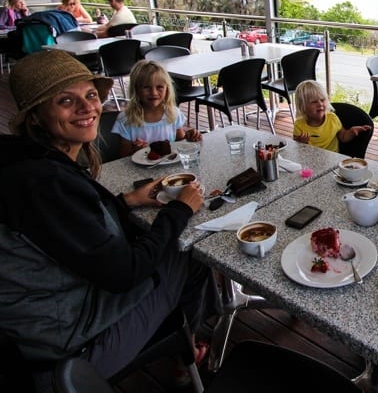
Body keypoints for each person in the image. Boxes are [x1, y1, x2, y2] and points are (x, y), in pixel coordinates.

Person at [0, 50, 219, 385]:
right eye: (65, 100)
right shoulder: (43, 183)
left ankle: (186, 340)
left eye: (90, 95)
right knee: (190, 251)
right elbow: (125, 272)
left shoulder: (29, 165)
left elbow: (70, 231)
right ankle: (185, 353)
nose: (87, 107)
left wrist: (126, 201)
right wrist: (179, 209)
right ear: (34, 116)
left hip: (46, 324)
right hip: (70, 351)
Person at [112, 59, 201, 157]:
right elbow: (123, 157)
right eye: (146, 87)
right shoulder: (126, 120)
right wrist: (135, 151)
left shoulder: (173, 113)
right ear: (136, 89)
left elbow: (179, 142)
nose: (153, 92)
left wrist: (190, 136)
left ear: (167, 89)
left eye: (159, 87)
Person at [292, 79, 371, 152]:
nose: (320, 104)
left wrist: (352, 131)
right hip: (310, 159)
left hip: (332, 158)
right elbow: (297, 148)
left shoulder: (332, 118)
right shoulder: (299, 125)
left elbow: (343, 136)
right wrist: (300, 142)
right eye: (314, 102)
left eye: (322, 100)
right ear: (303, 107)